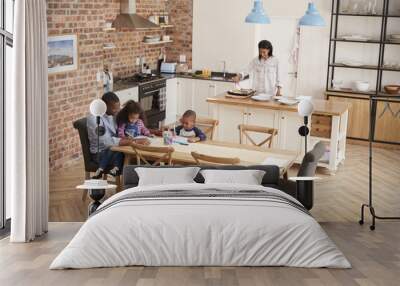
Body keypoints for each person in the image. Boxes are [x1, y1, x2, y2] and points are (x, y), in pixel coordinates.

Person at [87, 92, 149, 179]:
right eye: (114, 108)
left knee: (142, 156)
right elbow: (106, 141)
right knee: (135, 157)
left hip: (116, 149)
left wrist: (153, 131)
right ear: (104, 105)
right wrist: (133, 141)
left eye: (118, 107)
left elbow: (130, 125)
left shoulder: (114, 115)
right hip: (101, 153)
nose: (117, 110)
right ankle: (129, 185)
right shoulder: (94, 119)